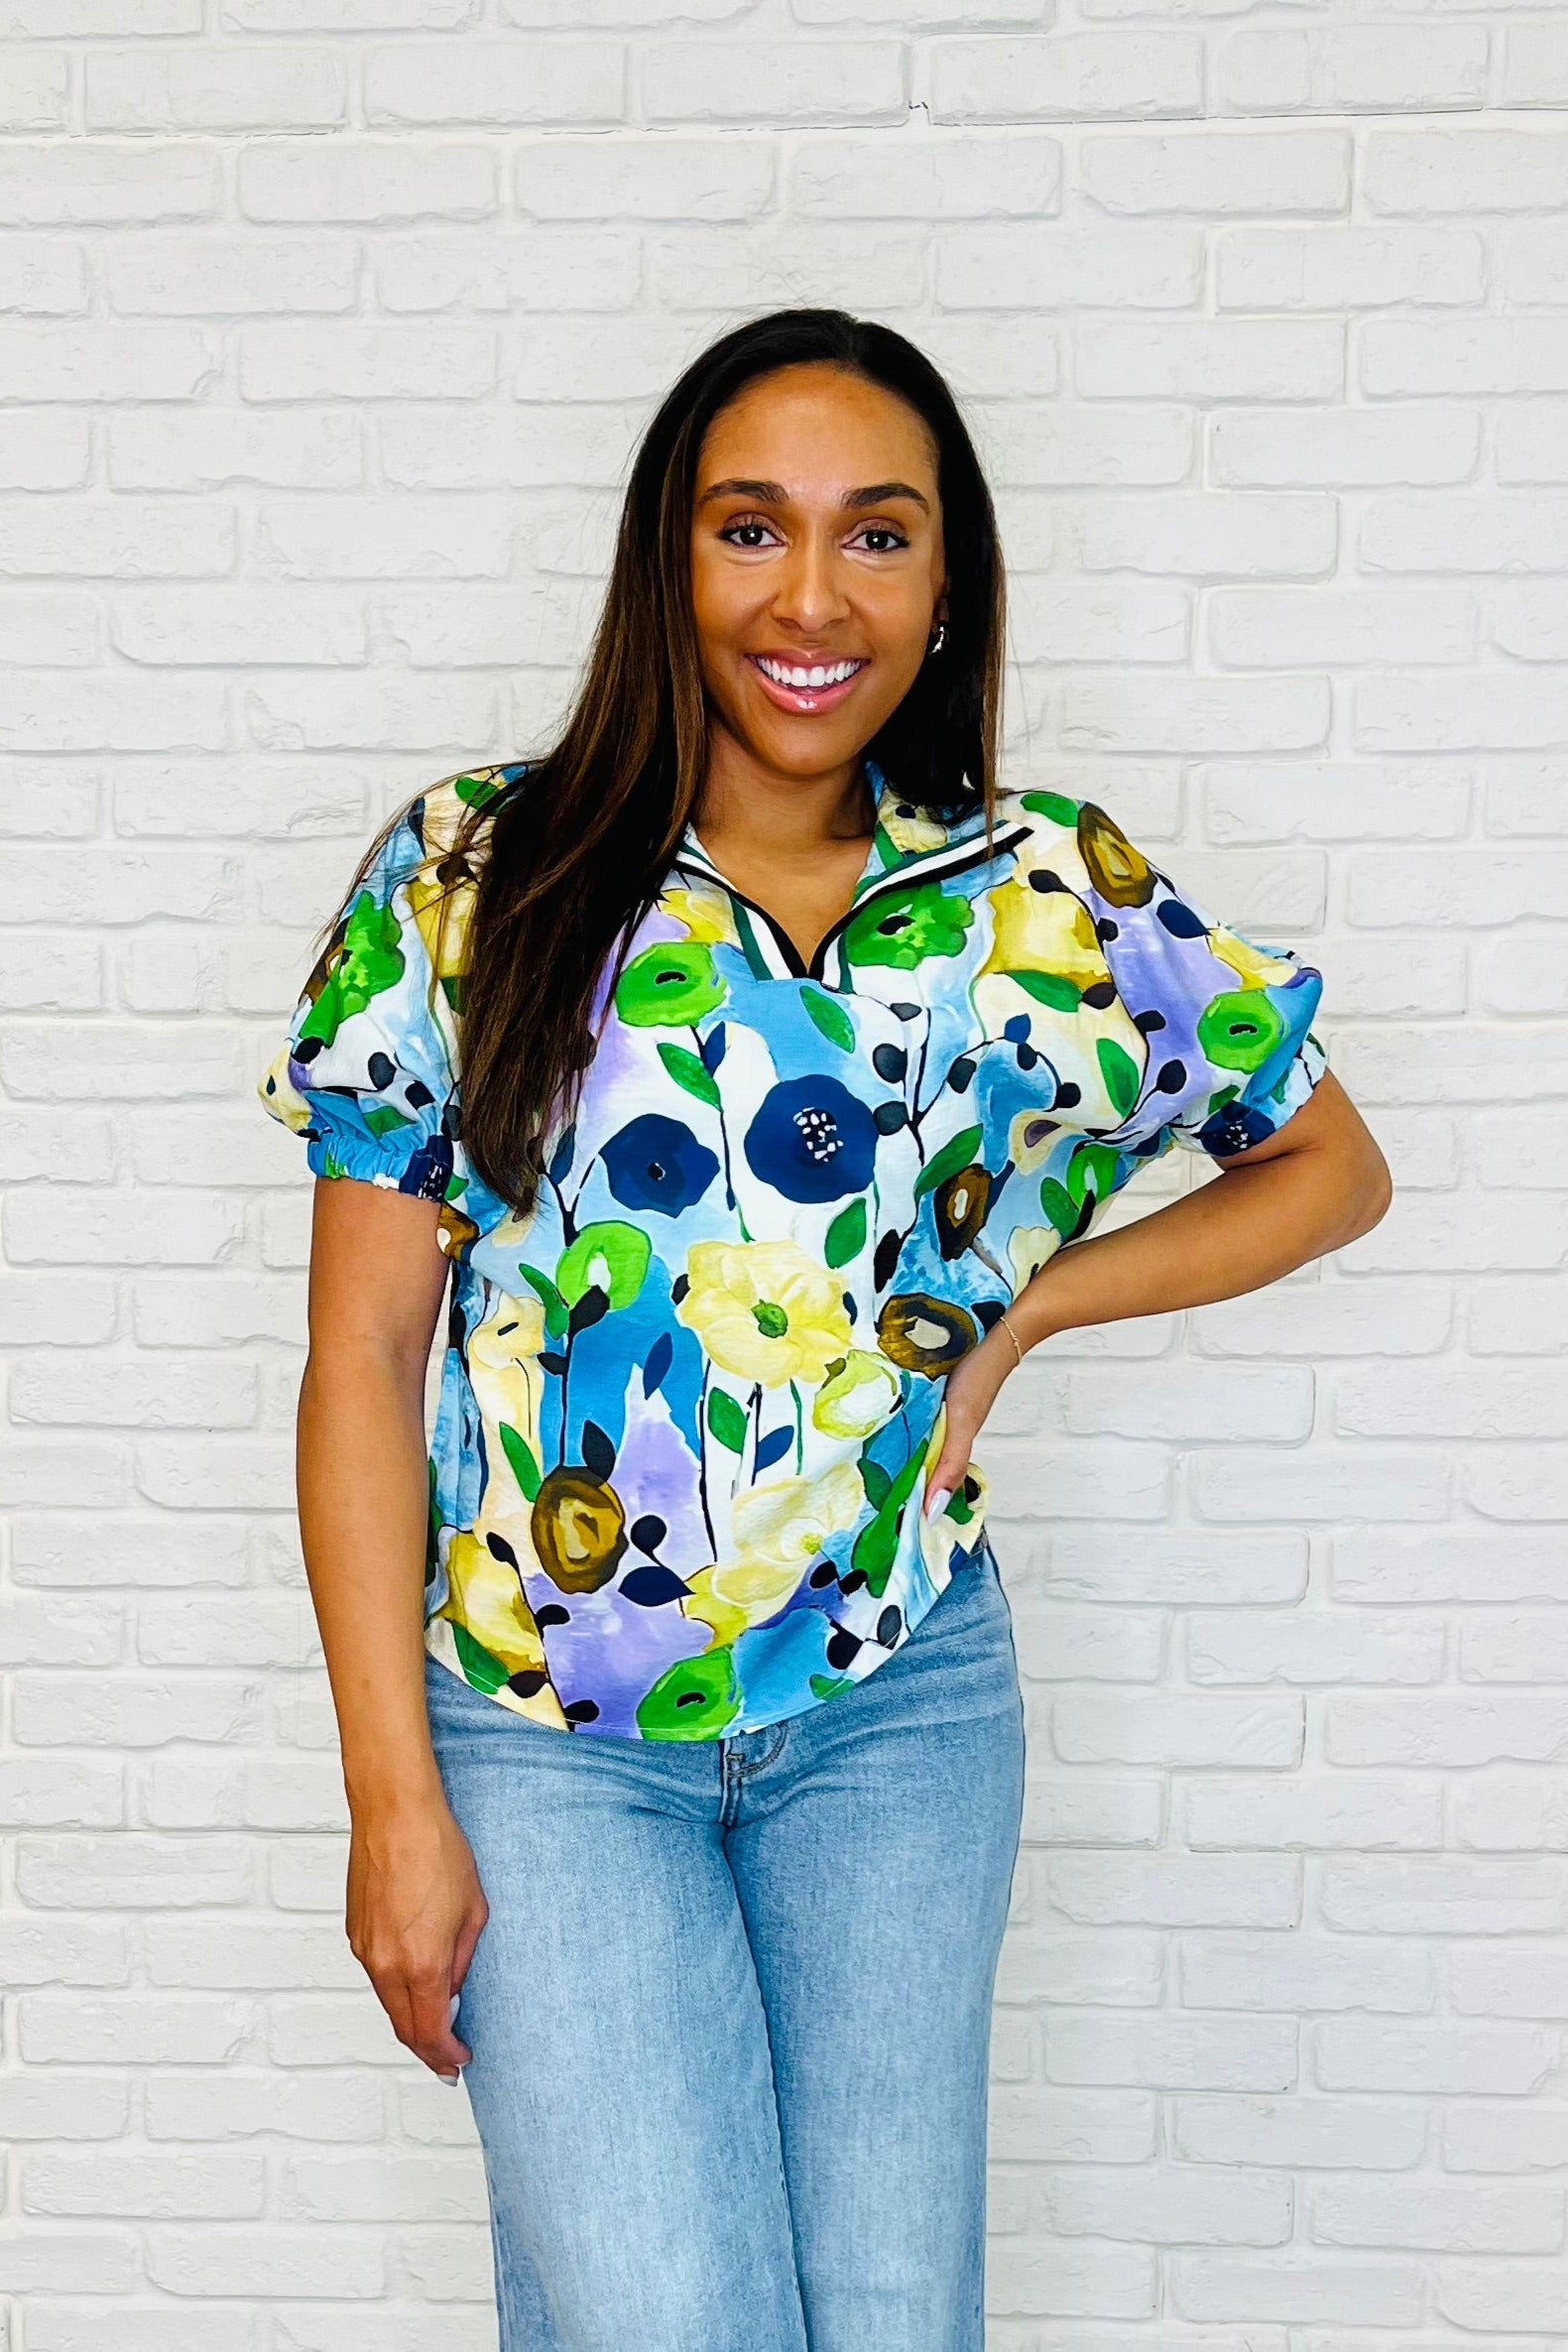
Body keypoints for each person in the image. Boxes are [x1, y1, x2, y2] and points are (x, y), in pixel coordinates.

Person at [256, 309, 1390, 2352]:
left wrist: (1030, 1307)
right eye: (746, 529)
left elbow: (1325, 1162)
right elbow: (361, 1362)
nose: (808, 598)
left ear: (945, 580)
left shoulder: (1037, 893)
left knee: (885, 2321)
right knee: (666, 2316)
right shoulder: (473, 874)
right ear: (667, 561)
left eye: (874, 534)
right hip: (544, 1736)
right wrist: (390, 1798)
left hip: (897, 1713)